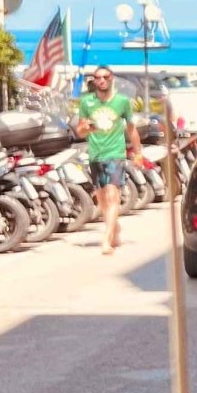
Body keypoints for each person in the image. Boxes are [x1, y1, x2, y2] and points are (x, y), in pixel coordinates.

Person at [74, 66, 141, 255]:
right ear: (94, 81)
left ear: (111, 79)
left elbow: (131, 129)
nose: (101, 80)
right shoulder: (87, 102)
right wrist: (86, 128)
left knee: (112, 196)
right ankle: (115, 228)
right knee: (102, 199)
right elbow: (80, 131)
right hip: (95, 155)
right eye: (98, 77)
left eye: (105, 77)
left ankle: (106, 240)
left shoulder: (122, 102)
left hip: (115, 154)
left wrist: (138, 153)